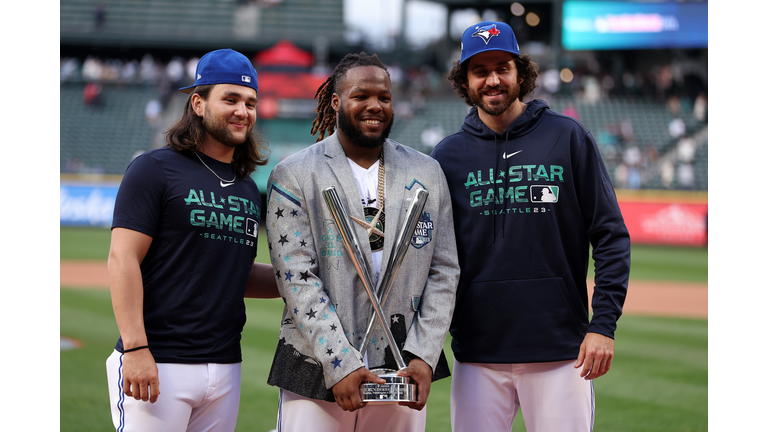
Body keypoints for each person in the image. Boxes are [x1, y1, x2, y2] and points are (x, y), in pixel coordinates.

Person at [430, 22, 631, 432]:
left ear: (520, 74)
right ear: (465, 82)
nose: (492, 80)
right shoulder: (446, 156)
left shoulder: (568, 137)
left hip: (561, 352)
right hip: (478, 355)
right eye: (480, 71)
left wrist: (603, 326)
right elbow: (431, 257)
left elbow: (610, 236)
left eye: (502, 68)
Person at [265, 52, 460, 432]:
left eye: (384, 97)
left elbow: (444, 270)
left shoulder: (427, 172)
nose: (375, 105)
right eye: (361, 96)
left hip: (402, 369)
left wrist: (424, 353)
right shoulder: (294, 174)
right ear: (336, 102)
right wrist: (340, 363)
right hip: (317, 368)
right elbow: (297, 279)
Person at [105, 48, 280, 432]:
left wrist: (302, 281)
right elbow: (122, 259)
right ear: (198, 104)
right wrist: (136, 348)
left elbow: (238, 274)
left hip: (226, 365)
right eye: (230, 99)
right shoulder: (154, 169)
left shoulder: (247, 188)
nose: (243, 111)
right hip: (159, 360)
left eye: (250, 103)